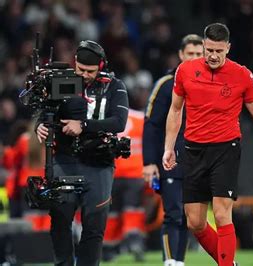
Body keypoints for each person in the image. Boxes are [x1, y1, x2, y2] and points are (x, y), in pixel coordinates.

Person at [162, 23, 253, 266]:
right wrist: (169, 147)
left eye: (219, 50)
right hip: (192, 149)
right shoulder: (185, 71)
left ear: (228, 48)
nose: (213, 55)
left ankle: (226, 264)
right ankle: (229, 262)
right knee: (195, 222)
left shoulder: (242, 75)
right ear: (204, 46)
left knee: (221, 213)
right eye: (209, 50)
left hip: (225, 149)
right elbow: (175, 110)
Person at [36, 40, 129, 266]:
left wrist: (83, 125)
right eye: (80, 70)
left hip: (99, 162)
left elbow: (119, 122)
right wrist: (41, 125)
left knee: (94, 225)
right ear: (74, 63)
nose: (85, 75)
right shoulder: (63, 81)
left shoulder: (114, 86)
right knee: (59, 218)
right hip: (65, 159)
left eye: (90, 71)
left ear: (101, 66)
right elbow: (47, 112)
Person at [143, 34, 204, 266]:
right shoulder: (167, 85)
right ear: (181, 55)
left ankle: (179, 262)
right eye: (191, 54)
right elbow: (152, 125)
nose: (195, 58)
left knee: (189, 217)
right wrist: (149, 162)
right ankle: (170, 261)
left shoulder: (209, 82)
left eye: (199, 54)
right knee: (174, 213)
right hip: (171, 159)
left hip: (199, 160)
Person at [103, 108, 145, 262]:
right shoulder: (141, 119)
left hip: (112, 172)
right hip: (135, 173)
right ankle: (134, 240)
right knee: (133, 208)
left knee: (111, 211)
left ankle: (109, 247)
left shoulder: (106, 118)